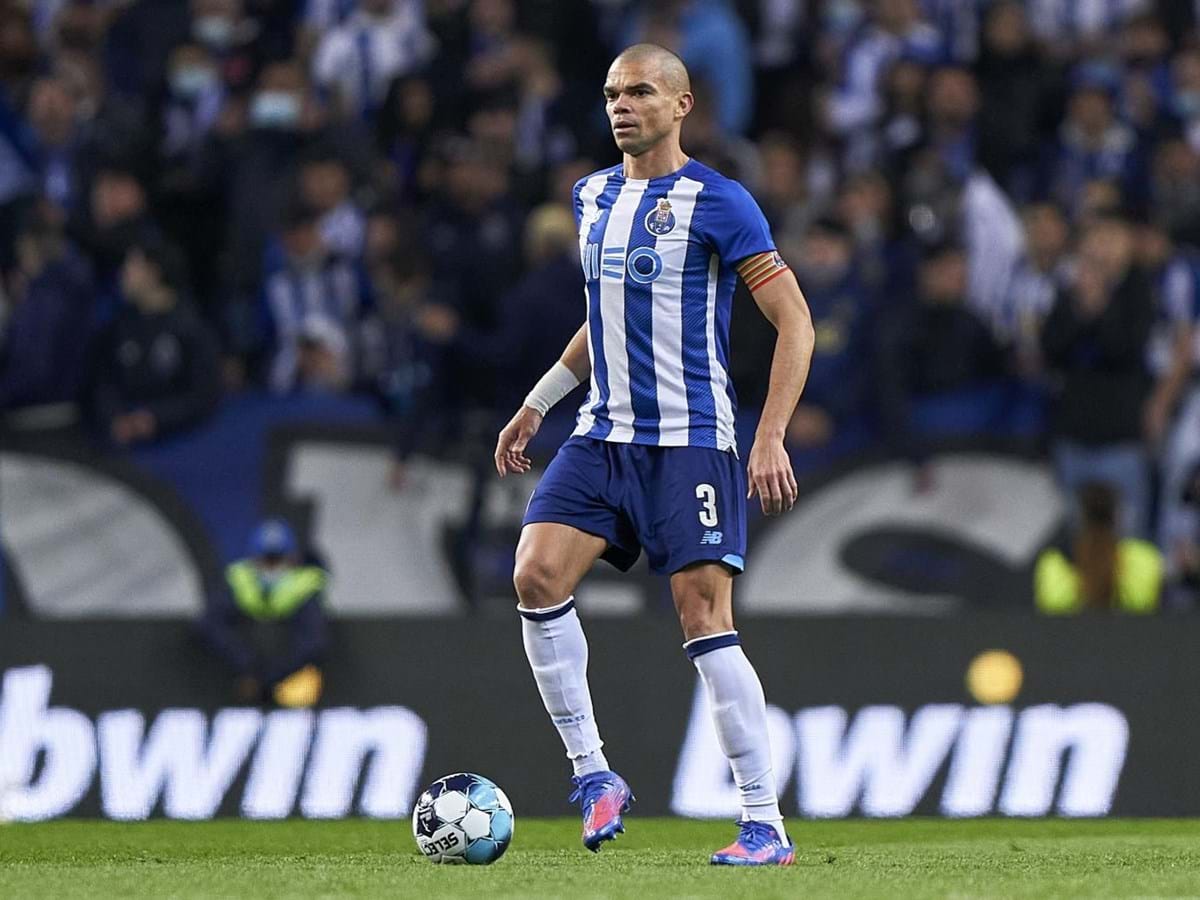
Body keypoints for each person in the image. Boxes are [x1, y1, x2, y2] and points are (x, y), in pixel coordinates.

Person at [493, 44, 814, 866]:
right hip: (602, 436)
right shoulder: (591, 196)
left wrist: (770, 432)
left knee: (705, 620)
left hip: (690, 443)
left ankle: (762, 822)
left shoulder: (720, 201)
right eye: (610, 93)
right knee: (534, 576)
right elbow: (602, 324)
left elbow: (795, 323)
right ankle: (595, 775)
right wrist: (535, 405)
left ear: (681, 105)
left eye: (639, 91)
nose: (621, 106)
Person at [195, 518, 331, 706]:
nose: (272, 567)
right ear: (252, 560)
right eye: (266, 559)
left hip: (290, 683)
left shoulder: (305, 586)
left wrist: (270, 677)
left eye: (278, 559)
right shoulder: (239, 581)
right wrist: (248, 664)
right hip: (239, 684)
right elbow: (209, 624)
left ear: (293, 560)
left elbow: (313, 640)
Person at [1035, 481, 1162, 614]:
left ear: (1078, 519)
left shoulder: (1053, 562)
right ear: (1118, 518)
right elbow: (1143, 603)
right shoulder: (1146, 557)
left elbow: (1053, 607)